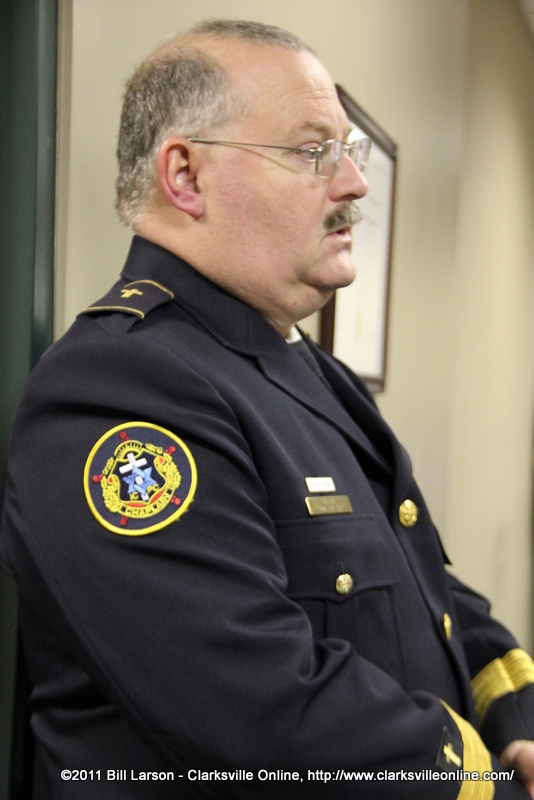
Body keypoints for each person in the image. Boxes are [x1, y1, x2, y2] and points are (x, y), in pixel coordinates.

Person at [1, 18, 534, 800]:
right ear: (185, 177)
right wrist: (484, 783)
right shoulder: (119, 387)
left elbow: (421, 587)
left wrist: (516, 711)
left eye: (348, 152)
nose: (353, 185)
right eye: (312, 152)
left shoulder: (304, 367)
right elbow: (260, 712)